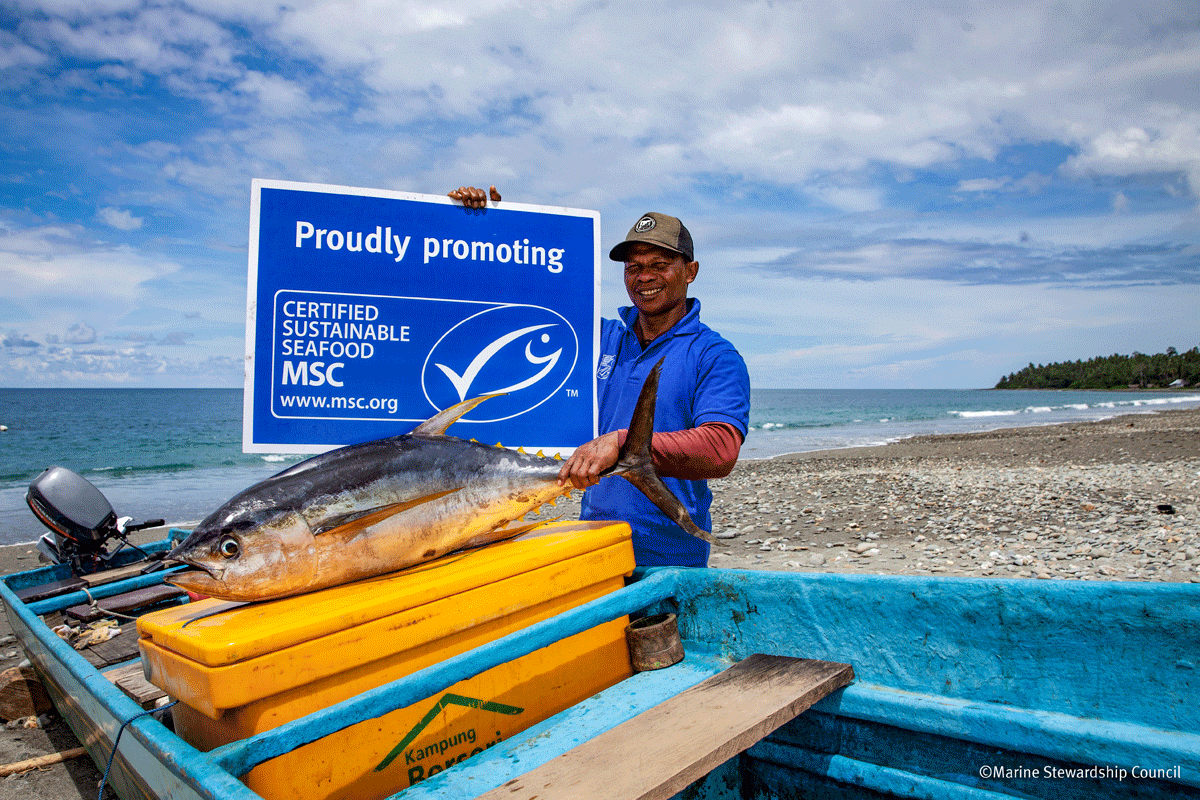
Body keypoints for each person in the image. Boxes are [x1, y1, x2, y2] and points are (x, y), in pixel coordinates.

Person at [448, 187, 750, 567]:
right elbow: (523, 306)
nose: (645, 277)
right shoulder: (598, 339)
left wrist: (622, 443)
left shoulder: (714, 355)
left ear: (690, 271)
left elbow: (720, 449)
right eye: (634, 268)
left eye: (660, 265)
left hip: (669, 560)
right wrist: (492, 226)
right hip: (594, 547)